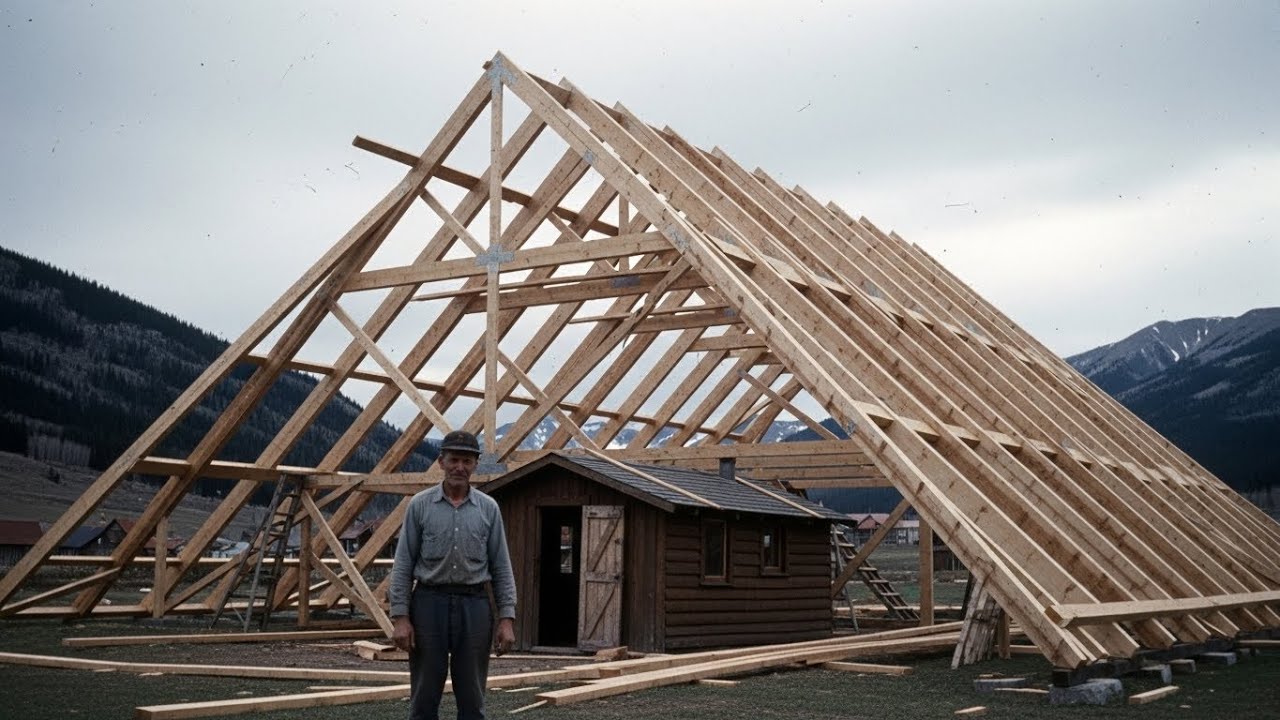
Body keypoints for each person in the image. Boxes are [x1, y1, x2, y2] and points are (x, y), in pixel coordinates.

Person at [389, 430, 516, 720]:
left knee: (472, 698)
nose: (460, 467)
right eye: (454, 459)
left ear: (475, 465)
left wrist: (506, 619)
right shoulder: (419, 505)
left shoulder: (488, 509)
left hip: (474, 605)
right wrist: (400, 617)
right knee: (424, 696)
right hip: (428, 603)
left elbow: (501, 567)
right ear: (441, 462)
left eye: (467, 461)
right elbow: (404, 564)